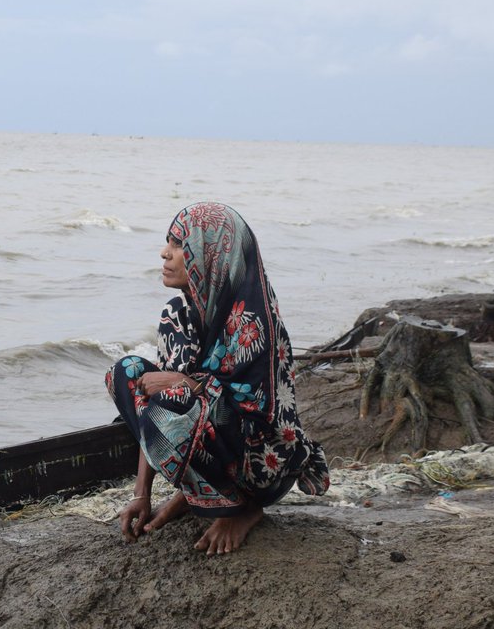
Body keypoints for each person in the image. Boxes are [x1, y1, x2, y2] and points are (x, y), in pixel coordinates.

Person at [106, 202, 330, 555]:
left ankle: (239, 509)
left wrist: (187, 384)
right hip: (215, 445)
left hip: (261, 464)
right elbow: (153, 405)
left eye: (179, 244)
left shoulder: (253, 322)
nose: (165, 253)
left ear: (211, 255)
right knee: (127, 372)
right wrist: (141, 493)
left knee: (173, 402)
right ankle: (193, 494)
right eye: (168, 242)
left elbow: (261, 418)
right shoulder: (177, 314)